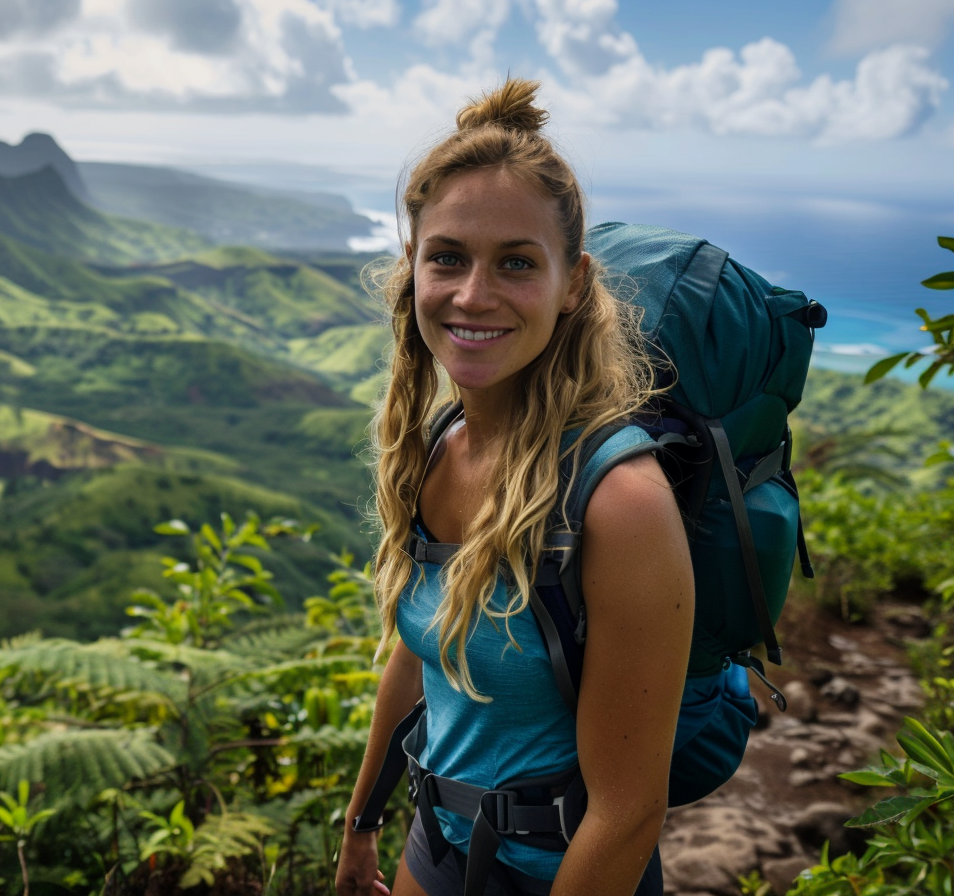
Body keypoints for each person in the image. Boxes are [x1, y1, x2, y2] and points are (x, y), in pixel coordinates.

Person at [334, 79, 695, 896]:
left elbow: (630, 810)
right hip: (439, 840)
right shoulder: (437, 448)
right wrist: (362, 826)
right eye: (448, 258)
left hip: (562, 869)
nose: (472, 295)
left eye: (517, 264)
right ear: (413, 269)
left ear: (574, 284)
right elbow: (419, 651)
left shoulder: (618, 501)